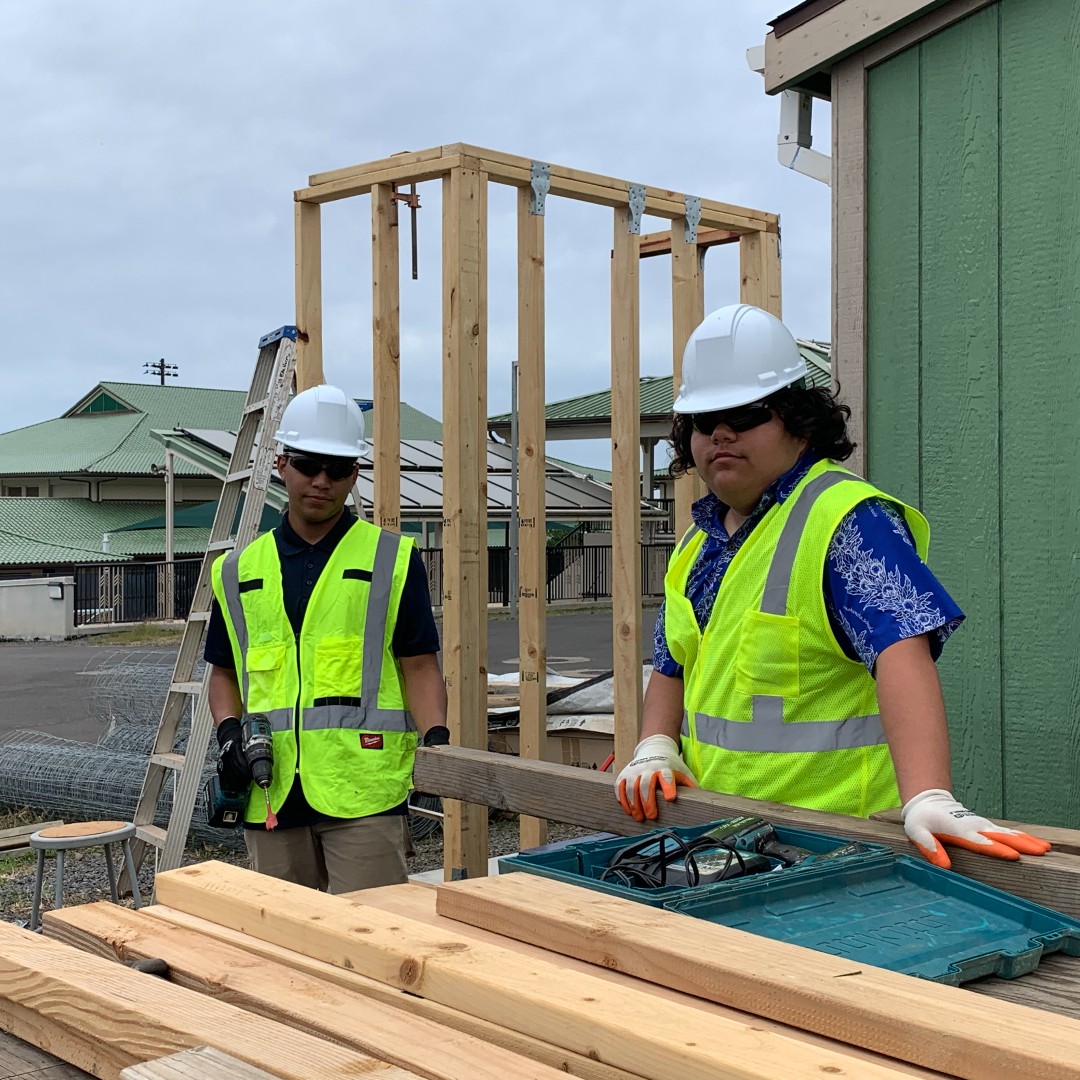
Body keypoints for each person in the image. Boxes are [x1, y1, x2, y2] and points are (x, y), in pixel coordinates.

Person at [616, 304, 1050, 871]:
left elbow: (901, 647)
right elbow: (674, 663)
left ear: (799, 421)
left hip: (841, 850)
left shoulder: (846, 520)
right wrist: (655, 746)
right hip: (723, 842)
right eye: (703, 419)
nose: (721, 432)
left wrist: (928, 794)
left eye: (747, 413)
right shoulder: (695, 546)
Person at [204, 383, 449, 893]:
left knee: (375, 938)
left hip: (363, 790)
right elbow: (224, 673)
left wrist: (437, 746)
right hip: (269, 789)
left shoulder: (391, 559)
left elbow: (419, 664)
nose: (321, 481)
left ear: (354, 475)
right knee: (289, 946)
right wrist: (229, 733)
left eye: (337, 470)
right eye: (308, 465)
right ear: (282, 465)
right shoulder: (237, 571)